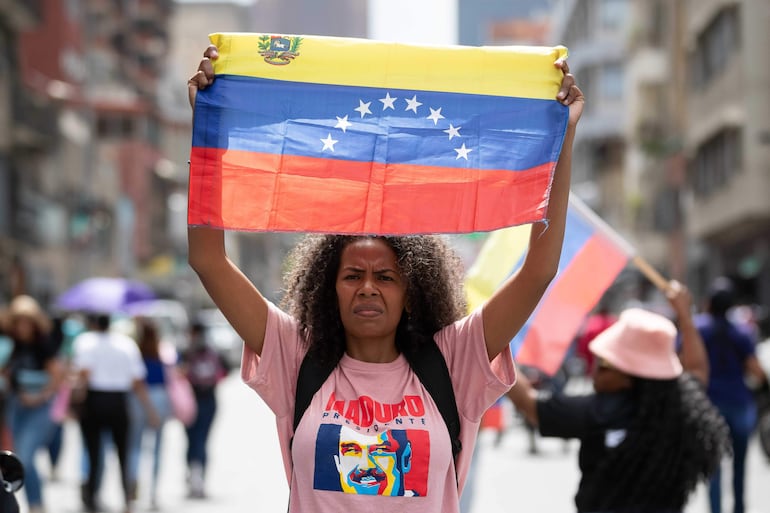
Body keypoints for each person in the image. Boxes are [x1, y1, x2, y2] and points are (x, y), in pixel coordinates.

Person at [187, 43, 583, 512]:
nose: (368, 287)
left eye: (386, 278)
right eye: (352, 275)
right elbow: (208, 260)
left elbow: (538, 270)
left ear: (412, 293)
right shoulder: (294, 355)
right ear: (328, 290)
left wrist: (564, 137)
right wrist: (208, 131)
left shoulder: (455, 361)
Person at [506, 281, 731, 513]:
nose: (595, 369)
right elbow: (698, 371)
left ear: (629, 376)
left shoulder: (601, 412)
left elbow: (529, 403)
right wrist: (685, 314)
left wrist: (490, 343)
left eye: (605, 364)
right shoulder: (682, 405)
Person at [72, 313, 159, 513]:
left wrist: (75, 399)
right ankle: (126, 498)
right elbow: (137, 380)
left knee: (93, 453)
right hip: (118, 402)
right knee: (123, 453)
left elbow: (84, 373)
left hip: (94, 401)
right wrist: (150, 409)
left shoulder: (85, 341)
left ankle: (92, 497)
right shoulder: (126, 344)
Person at [695, 276, 768, 513]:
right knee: (739, 466)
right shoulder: (742, 332)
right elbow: (756, 370)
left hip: (709, 406)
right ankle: (739, 508)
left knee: (713, 468)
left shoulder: (699, 329)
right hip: (738, 404)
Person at [1, 295, 62, 513]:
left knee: (26, 456)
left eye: (26, 321)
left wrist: (39, 397)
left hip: (39, 405)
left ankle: (36, 504)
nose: (22, 326)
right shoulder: (14, 344)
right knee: (16, 457)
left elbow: (57, 377)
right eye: (18, 322)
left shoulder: (44, 344)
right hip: (17, 404)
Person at [179, 320, 230, 499]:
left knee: (192, 439)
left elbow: (178, 373)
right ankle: (199, 478)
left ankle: (192, 474)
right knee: (203, 439)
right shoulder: (213, 349)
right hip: (209, 399)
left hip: (190, 401)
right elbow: (226, 370)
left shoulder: (186, 350)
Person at [126, 317, 173, 510]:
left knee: (135, 446)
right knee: (157, 450)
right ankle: (153, 492)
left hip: (139, 398)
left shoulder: (135, 353)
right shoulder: (163, 352)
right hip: (160, 397)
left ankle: (132, 483)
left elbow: (134, 381)